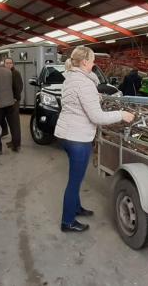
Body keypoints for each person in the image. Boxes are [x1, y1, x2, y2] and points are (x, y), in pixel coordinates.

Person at [55, 46, 134, 232]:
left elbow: (77, 101)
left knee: (77, 177)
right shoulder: (84, 83)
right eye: (91, 60)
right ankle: (67, 221)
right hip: (77, 138)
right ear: (84, 62)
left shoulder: (71, 78)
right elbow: (97, 118)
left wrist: (96, 96)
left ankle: (76, 207)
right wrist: (121, 114)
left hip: (66, 134)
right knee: (75, 181)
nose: (93, 63)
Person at [0, 55, 21, 154]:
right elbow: (14, 86)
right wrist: (16, 98)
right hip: (10, 103)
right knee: (13, 125)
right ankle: (16, 146)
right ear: (0, 61)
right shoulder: (9, 71)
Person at [3, 58, 24, 150]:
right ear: (4, 64)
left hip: (14, 101)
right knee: (11, 122)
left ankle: (16, 144)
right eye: (7, 63)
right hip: (8, 101)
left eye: (10, 63)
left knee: (15, 123)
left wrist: (15, 98)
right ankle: (13, 141)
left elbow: (19, 86)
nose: (9, 65)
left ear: (13, 64)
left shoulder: (15, 73)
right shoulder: (6, 73)